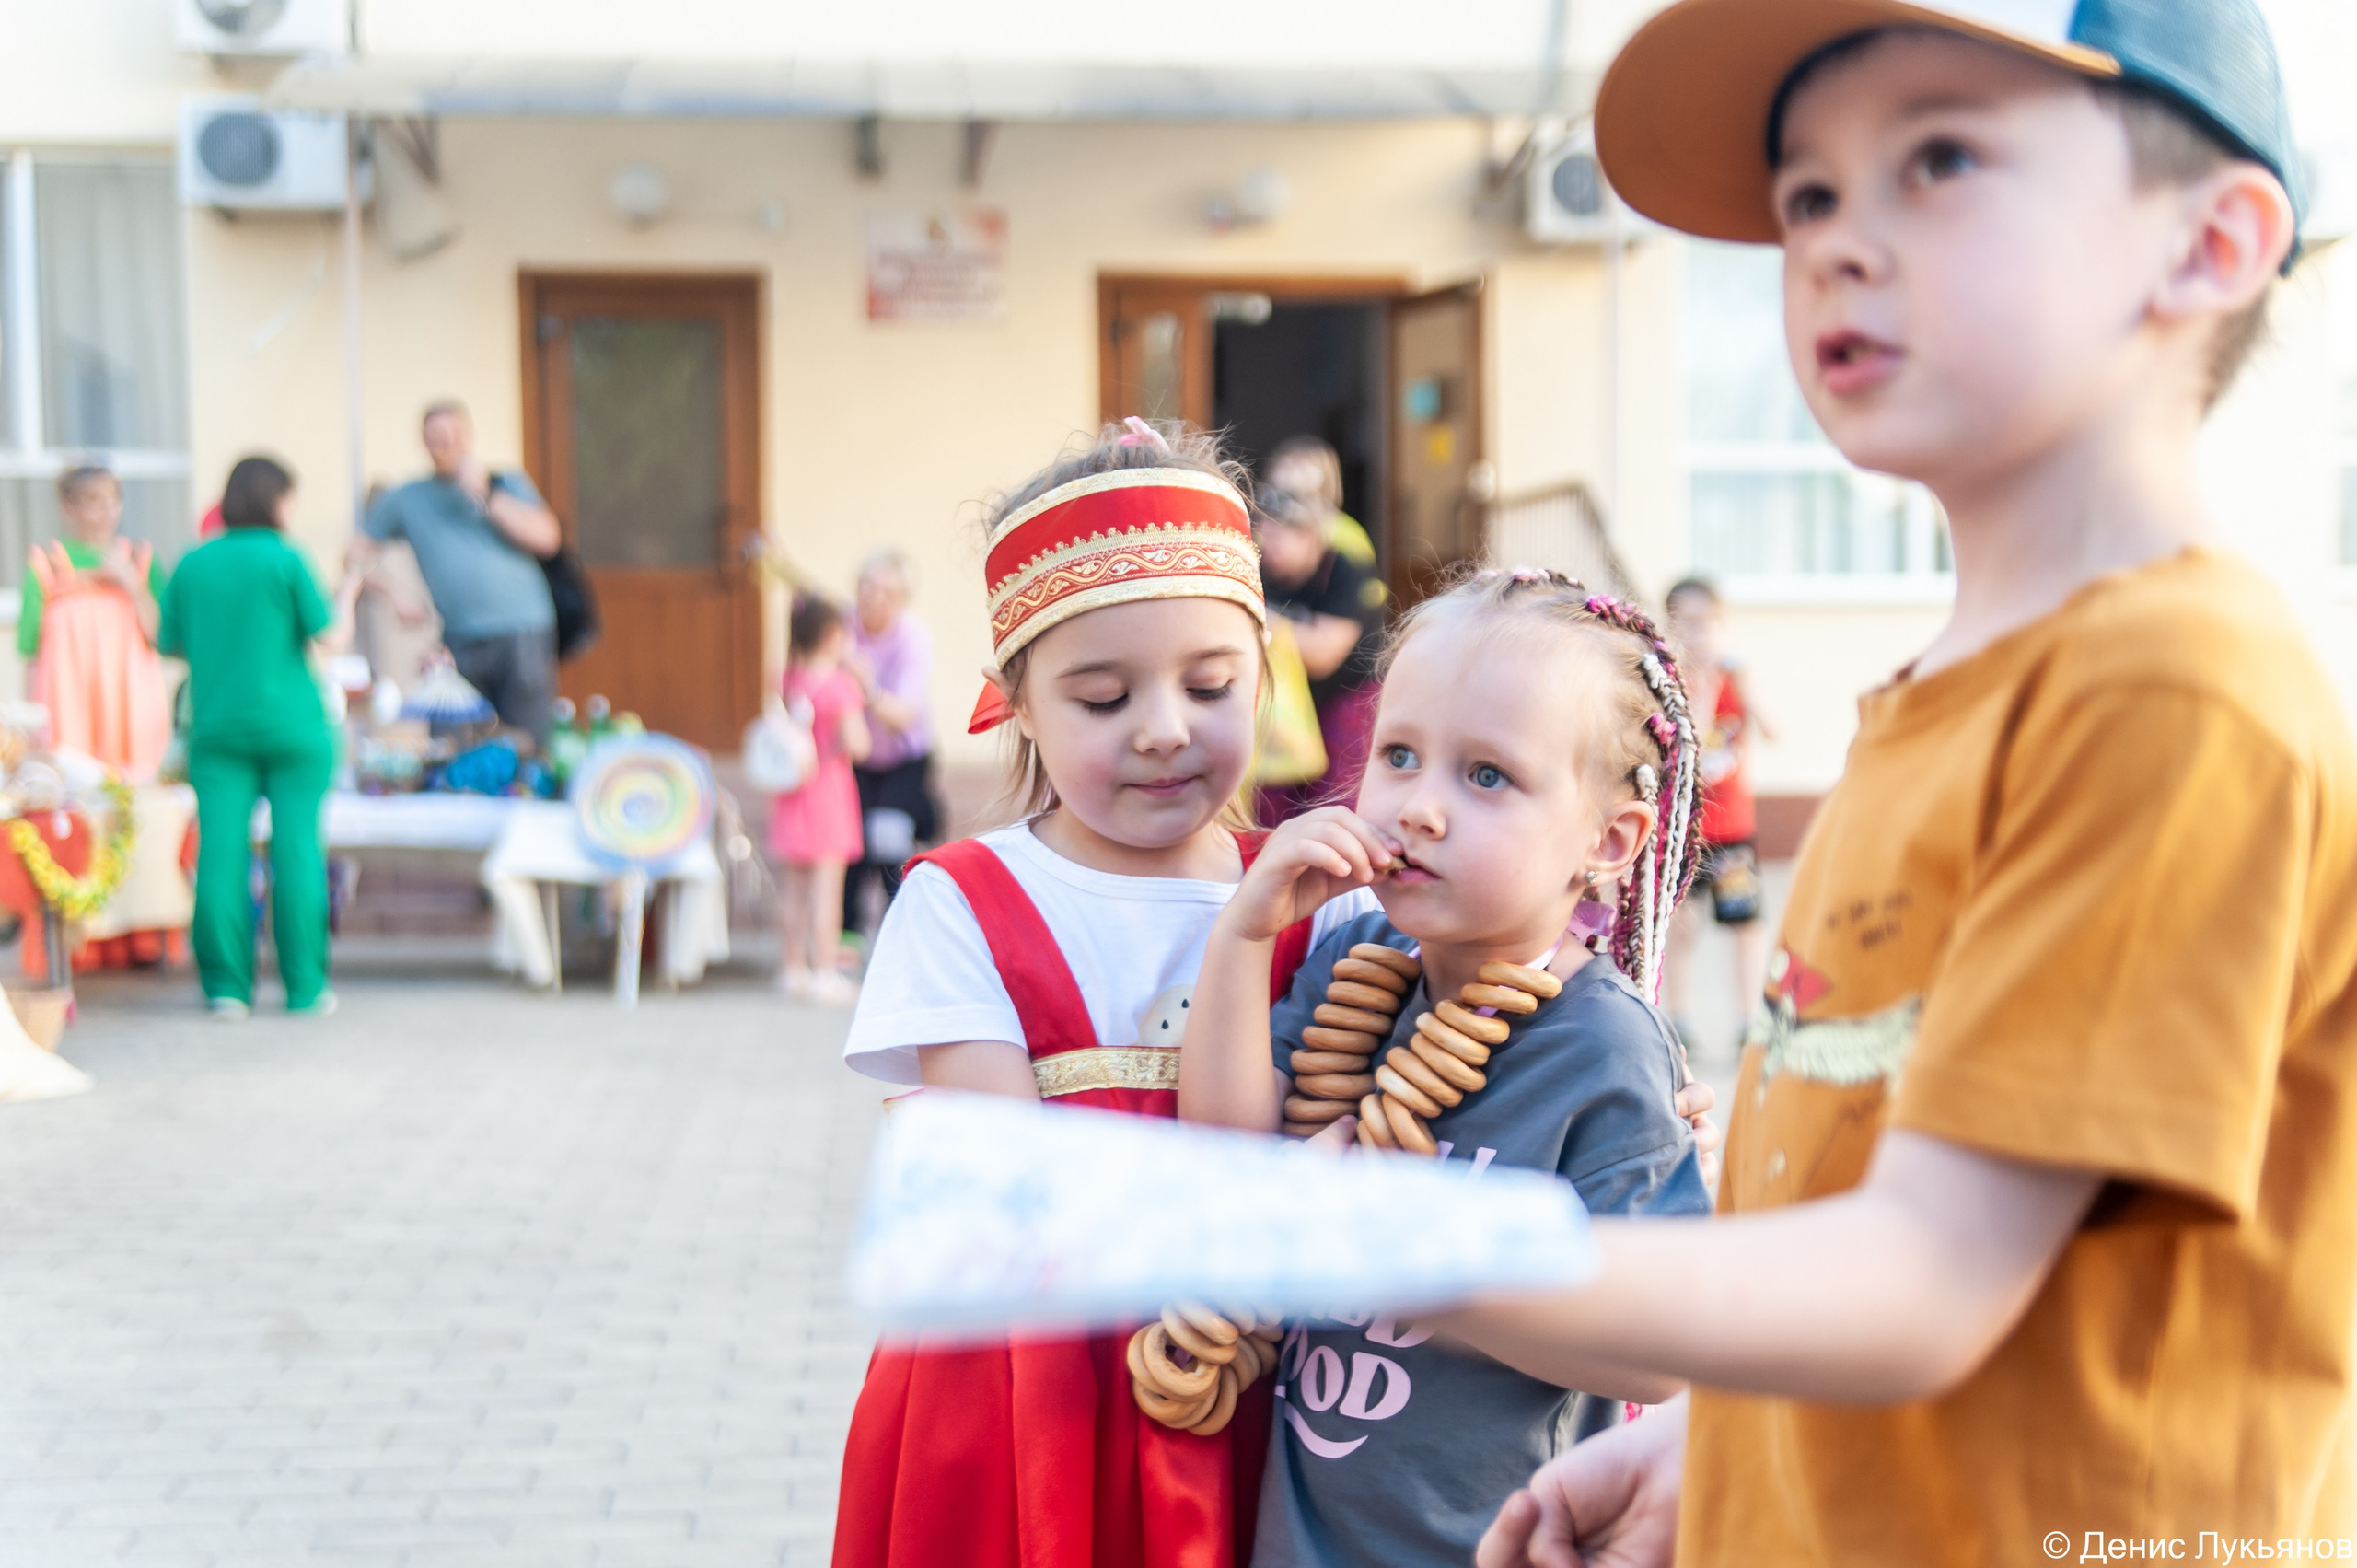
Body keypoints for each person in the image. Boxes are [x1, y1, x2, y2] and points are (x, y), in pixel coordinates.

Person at [1427, 4, 2357, 1563]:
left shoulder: (2169, 692)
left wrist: (1419, 1243)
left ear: (2210, 243)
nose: (1837, 245)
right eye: (1808, 194)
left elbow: (1929, 1274)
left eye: (1938, 158)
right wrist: (1713, 1440)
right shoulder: (1946, 693)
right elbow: (1867, 1220)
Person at [832, 417, 1392, 1568]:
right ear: (1017, 704)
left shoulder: (1314, 895)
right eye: (1100, 696)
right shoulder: (962, 902)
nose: (1164, 730)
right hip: (1026, 1399)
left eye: (1210, 682)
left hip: (1255, 1387)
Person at [1181, 566, 1713, 1568]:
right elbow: (1230, 1166)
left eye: (1484, 776)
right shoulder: (1356, 966)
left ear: (1606, 841)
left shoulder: (1602, 1044)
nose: (1419, 808)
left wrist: (1404, 1256)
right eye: (1398, 753)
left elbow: (1654, 1347)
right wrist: (1241, 937)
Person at [160, 456, 362, 1021]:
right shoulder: (287, 558)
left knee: (221, 854)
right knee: (297, 852)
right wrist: (349, 590)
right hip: (295, 730)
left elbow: (169, 642)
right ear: (276, 500)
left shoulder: (192, 564)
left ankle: (227, 989)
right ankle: (304, 989)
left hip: (217, 730)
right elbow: (331, 637)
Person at [351, 401, 562, 744]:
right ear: (423, 441)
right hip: (458, 638)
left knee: (528, 743)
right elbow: (353, 556)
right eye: (436, 436)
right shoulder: (407, 498)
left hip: (523, 631)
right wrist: (393, 592)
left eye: (454, 434)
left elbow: (547, 539)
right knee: (451, 744)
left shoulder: (505, 481)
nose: (446, 443)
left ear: (469, 437)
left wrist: (487, 494)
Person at [1659, 577, 1767, 1057]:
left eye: (1706, 624)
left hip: (1735, 830)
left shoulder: (1738, 678)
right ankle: (1679, 1017)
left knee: (1745, 924)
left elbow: (1774, 729)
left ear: (1722, 626)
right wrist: (1701, 686)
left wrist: (1743, 685)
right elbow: (1694, 742)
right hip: (1690, 831)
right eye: (1686, 624)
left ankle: (1750, 1019)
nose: (1698, 635)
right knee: (1682, 927)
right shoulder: (1675, 683)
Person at [21, 464, 170, 778]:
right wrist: (31, 725)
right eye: (93, 501)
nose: (106, 510)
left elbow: (161, 634)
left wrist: (131, 582)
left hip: (130, 704)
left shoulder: (140, 561)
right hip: (68, 704)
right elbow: (31, 652)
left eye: (113, 500)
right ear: (69, 506)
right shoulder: (47, 567)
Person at [1253, 486, 1388, 825]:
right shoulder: (1261, 566)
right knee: (1271, 799)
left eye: (1280, 536)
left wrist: (1268, 623)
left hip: (1348, 692)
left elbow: (1324, 653)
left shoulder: (1344, 566)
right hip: (1289, 699)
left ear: (1311, 536)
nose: (1269, 548)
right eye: (1263, 534)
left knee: (1335, 799)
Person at [772, 595, 869, 1005]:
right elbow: (859, 744)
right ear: (832, 635)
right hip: (828, 794)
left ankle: (793, 967)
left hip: (792, 793)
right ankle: (825, 972)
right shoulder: (840, 686)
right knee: (827, 889)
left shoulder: (788, 679)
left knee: (794, 888)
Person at [844, 549, 937, 930]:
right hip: (853, 755)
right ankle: (845, 934)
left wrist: (867, 688)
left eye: (886, 592)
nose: (873, 598)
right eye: (867, 587)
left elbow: (903, 714)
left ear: (900, 600)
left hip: (903, 757)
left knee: (888, 838)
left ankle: (895, 929)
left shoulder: (913, 636)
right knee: (848, 842)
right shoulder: (842, 626)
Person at [1265, 436, 1377, 570]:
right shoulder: (1266, 529)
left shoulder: (1349, 540)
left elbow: (1369, 588)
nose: (1283, 504)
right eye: (1277, 492)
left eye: (1294, 494)